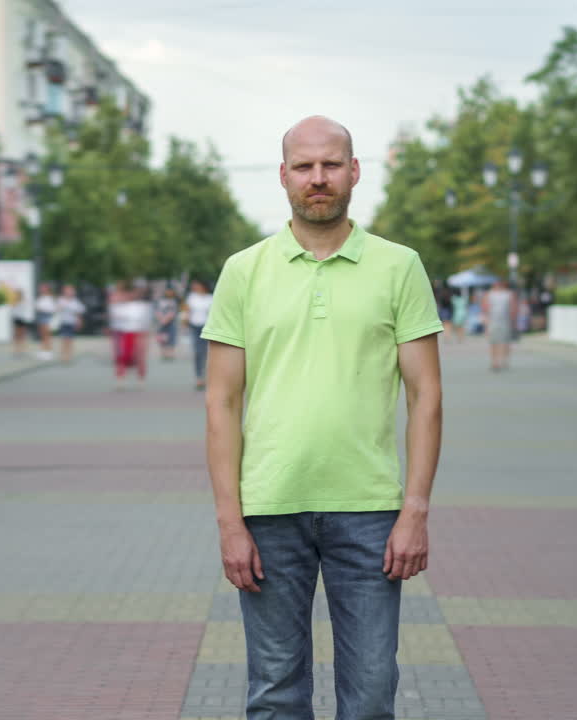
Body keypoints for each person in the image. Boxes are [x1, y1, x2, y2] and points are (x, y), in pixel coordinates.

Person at [203, 116, 443, 720]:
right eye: (304, 167)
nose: (318, 178)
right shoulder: (244, 270)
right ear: (283, 176)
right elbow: (221, 403)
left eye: (331, 164)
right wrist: (230, 522)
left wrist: (414, 511)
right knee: (275, 692)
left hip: (368, 512)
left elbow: (427, 396)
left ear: (354, 172)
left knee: (369, 695)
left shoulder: (399, 266)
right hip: (268, 509)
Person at [110, 283, 152, 387]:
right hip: (123, 333)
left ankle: (140, 378)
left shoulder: (142, 306)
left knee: (139, 357)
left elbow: (146, 321)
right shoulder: (118, 306)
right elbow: (115, 319)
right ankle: (120, 378)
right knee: (122, 357)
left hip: (138, 333)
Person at [481, 279, 517, 371]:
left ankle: (504, 361)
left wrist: (513, 321)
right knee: (494, 342)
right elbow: (485, 308)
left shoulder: (508, 294)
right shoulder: (489, 294)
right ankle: (495, 362)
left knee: (505, 342)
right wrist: (485, 322)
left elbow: (513, 308)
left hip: (505, 320)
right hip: (493, 320)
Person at [185, 279, 213, 390]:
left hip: (207, 327)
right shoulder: (192, 297)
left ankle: (208, 377)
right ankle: (199, 377)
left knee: (208, 353)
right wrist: (185, 321)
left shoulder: (210, 298)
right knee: (197, 352)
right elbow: (187, 310)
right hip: (195, 326)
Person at [55, 284, 85, 364]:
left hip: (72, 322)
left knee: (70, 340)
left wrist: (79, 321)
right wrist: (61, 307)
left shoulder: (75, 301)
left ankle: (69, 356)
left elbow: (79, 312)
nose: (69, 292)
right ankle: (63, 356)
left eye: (71, 291)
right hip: (63, 322)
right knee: (64, 339)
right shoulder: (61, 300)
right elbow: (57, 309)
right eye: (67, 291)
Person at [155, 287, 180, 362]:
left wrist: (166, 319)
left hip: (171, 322)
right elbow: (157, 310)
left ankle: (170, 354)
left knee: (172, 337)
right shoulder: (160, 300)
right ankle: (163, 353)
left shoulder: (175, 301)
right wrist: (161, 318)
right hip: (161, 321)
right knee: (162, 338)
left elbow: (174, 311)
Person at [34, 283, 56, 361]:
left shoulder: (50, 298)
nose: (41, 290)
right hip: (41, 316)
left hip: (47, 317)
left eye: (43, 288)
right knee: (42, 335)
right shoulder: (40, 298)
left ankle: (48, 351)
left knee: (47, 335)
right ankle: (43, 350)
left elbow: (52, 309)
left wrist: (42, 309)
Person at [8, 283, 31, 357]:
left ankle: (22, 348)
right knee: (17, 334)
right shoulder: (15, 301)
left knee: (22, 334)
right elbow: (12, 309)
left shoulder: (23, 301)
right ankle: (17, 349)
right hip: (17, 318)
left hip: (22, 318)